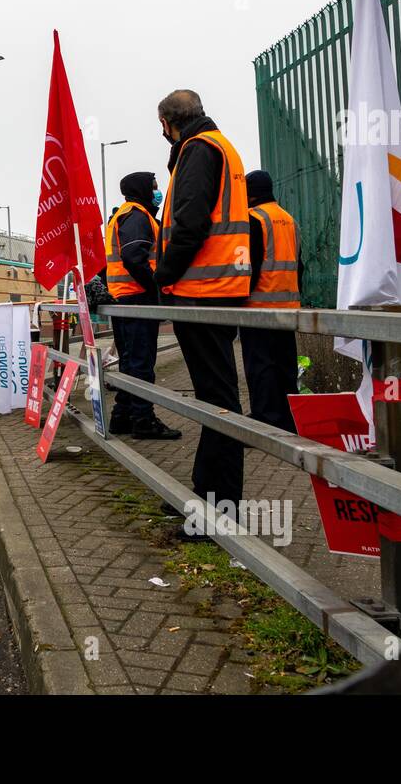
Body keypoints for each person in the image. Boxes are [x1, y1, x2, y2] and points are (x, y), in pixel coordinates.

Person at [154, 90, 252, 530]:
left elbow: (191, 222)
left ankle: (218, 509)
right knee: (216, 398)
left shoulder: (197, 150)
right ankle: (205, 495)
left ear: (167, 122)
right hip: (217, 287)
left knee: (218, 402)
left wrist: (163, 276)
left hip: (203, 289)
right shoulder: (218, 146)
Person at [103, 171, 181, 440]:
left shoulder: (125, 215)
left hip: (124, 297)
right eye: (154, 187)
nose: (157, 191)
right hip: (136, 297)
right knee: (141, 363)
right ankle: (143, 420)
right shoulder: (137, 216)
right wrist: (155, 287)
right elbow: (134, 256)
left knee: (130, 362)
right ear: (142, 189)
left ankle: (122, 416)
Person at [240, 170, 302, 433]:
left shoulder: (254, 219)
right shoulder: (288, 219)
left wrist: (239, 299)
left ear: (250, 193)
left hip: (259, 306)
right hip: (288, 306)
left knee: (261, 366)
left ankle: (266, 419)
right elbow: (299, 264)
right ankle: (289, 418)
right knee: (285, 364)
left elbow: (249, 267)